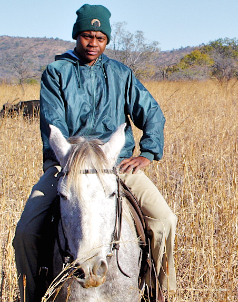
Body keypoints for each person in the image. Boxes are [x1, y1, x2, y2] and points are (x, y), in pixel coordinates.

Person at [12, 4, 177, 302]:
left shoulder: (121, 74)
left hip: (115, 164)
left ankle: (158, 291)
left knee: (164, 221)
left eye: (100, 38)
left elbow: (152, 113)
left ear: (107, 41)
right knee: (26, 231)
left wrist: (148, 153)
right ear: (77, 36)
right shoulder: (56, 73)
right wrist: (68, 156)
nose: (93, 43)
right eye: (87, 36)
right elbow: (55, 125)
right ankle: (31, 296)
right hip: (67, 165)